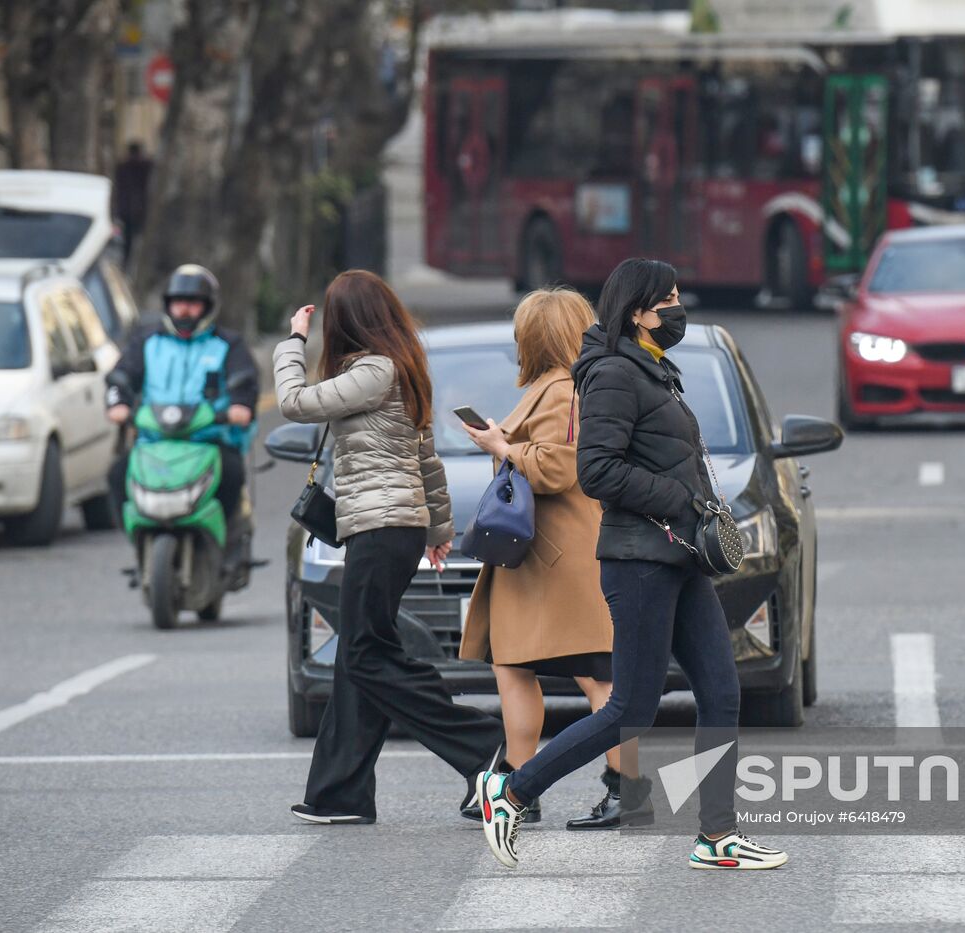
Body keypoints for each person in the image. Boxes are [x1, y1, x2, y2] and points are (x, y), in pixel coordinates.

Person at [475, 258, 787, 871]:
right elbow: (596, 471)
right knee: (631, 707)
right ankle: (509, 792)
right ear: (638, 310)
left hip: (678, 556)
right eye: (666, 298)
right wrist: (681, 499)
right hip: (639, 560)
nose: (678, 307)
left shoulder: (653, 370)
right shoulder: (614, 374)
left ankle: (717, 836)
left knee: (722, 693)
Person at [275, 269, 506, 825]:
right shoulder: (401, 369)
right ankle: (339, 794)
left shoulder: (374, 370)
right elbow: (426, 458)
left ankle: (484, 747)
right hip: (390, 530)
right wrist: (437, 530)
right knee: (360, 657)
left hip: (380, 531)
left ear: (348, 321)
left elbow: (293, 402)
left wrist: (292, 341)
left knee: (366, 655)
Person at [457, 287, 651, 830]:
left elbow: (561, 468)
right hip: (548, 559)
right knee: (518, 667)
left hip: (561, 560)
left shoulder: (567, 389)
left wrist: (502, 447)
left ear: (534, 338)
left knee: (598, 677)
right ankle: (523, 788)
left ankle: (622, 789)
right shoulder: (561, 386)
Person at [104, 264, 257, 558]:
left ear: (208, 307)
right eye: (178, 302)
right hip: (154, 442)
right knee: (117, 474)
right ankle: (138, 542)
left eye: (193, 303)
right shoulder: (147, 342)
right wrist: (117, 403)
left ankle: (226, 545)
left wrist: (239, 407)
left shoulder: (228, 345)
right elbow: (121, 377)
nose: (184, 310)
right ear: (168, 305)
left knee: (233, 474)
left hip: (209, 441)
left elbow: (245, 385)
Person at [113, 141, 153, 262]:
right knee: (137, 237)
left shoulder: (122, 167)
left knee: (128, 240)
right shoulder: (145, 166)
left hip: (126, 209)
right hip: (139, 208)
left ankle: (127, 259)